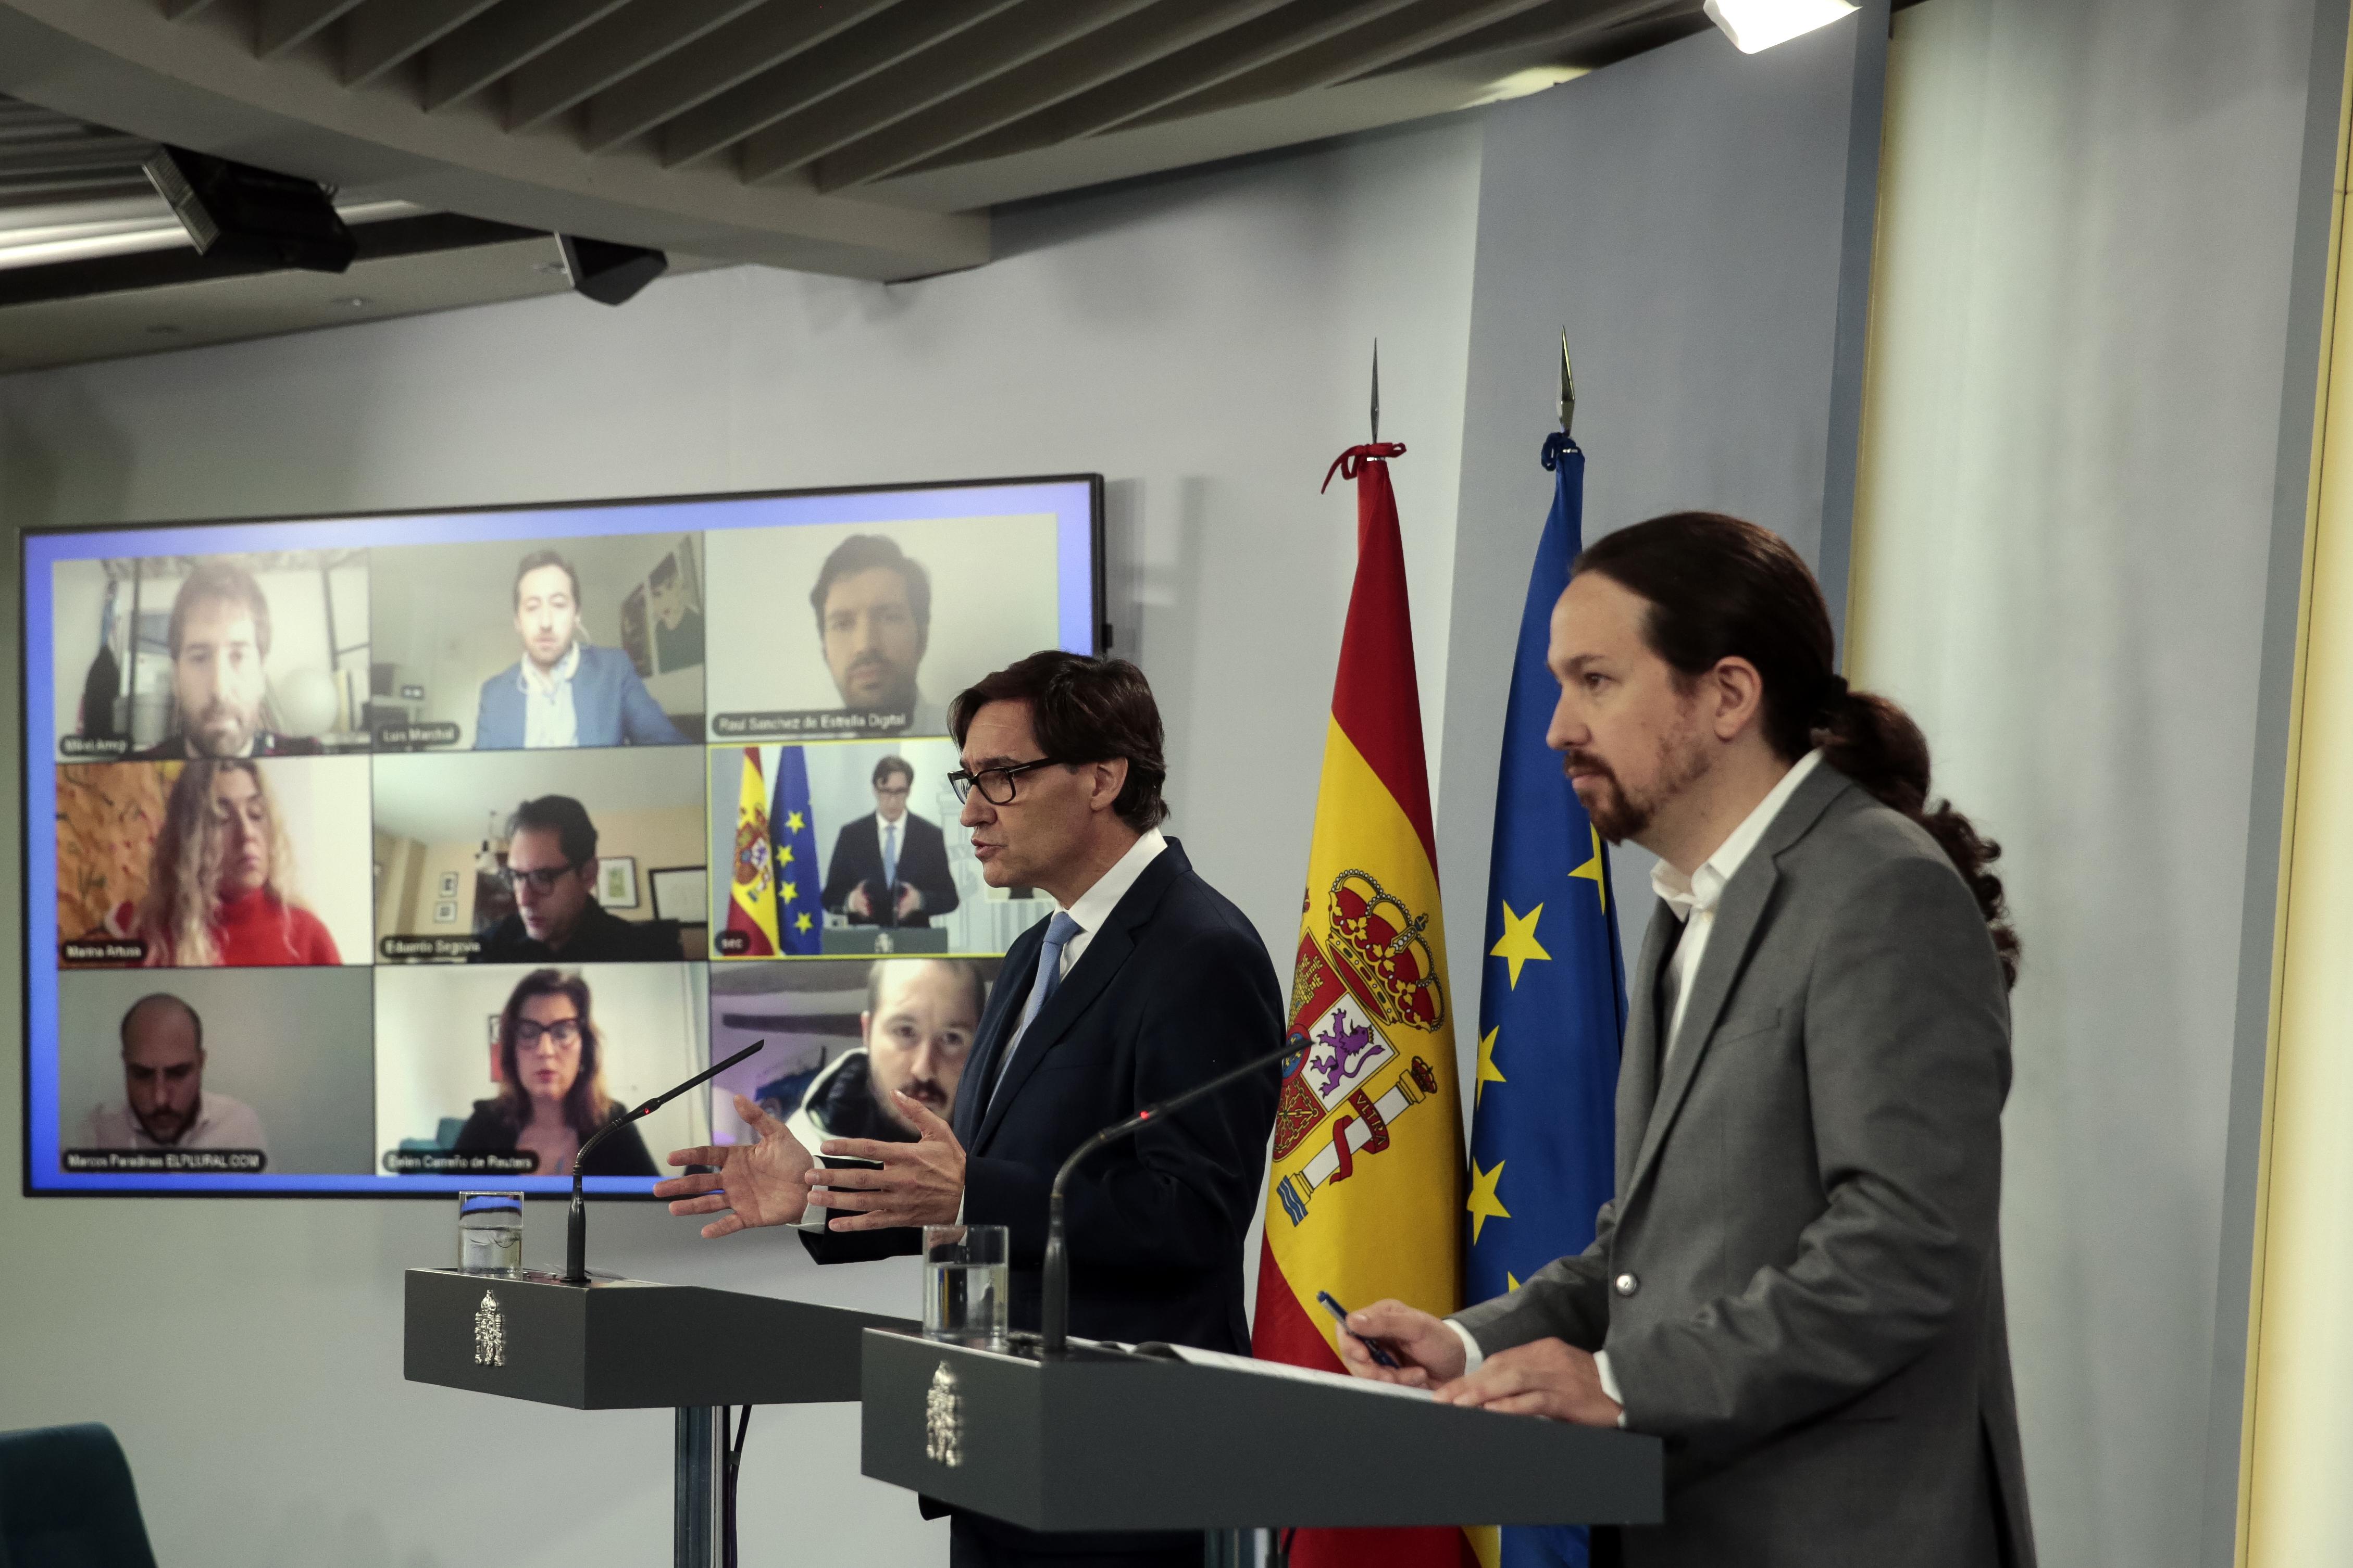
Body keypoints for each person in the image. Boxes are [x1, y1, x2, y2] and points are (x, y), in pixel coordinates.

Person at [1338, 513, 2034, 1568]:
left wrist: (1618, 1381)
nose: (1556, 727)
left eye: (1595, 681)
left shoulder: (1879, 889)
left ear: (1725, 694)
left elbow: (1902, 1251)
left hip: (1838, 1533)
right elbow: (1649, 1249)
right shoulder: (1685, 911)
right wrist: (1468, 1339)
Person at [658, 651, 1283, 1567]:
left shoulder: (1200, 949)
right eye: (968, 778)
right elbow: (977, 1170)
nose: (970, 809)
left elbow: (1191, 1214)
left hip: (1123, 1468)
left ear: (1102, 777)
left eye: (1002, 777)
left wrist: (968, 1196)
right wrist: (822, 1190)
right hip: (999, 1441)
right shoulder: (1037, 949)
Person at [103, 759, 341, 966]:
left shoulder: (309, 937)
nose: (247, 832)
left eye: (256, 813)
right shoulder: (155, 938)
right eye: (222, 818)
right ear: (189, 839)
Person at [452, 968, 656, 1177]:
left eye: (563, 1032)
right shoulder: (485, 1122)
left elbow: (655, 1206)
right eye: (528, 1033)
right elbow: (441, 1205)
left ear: (584, 1048)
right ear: (512, 1053)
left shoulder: (614, 1124)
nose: (546, 1051)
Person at [473, 550, 687, 749]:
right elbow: (479, 773)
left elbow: (670, 749)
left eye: (558, 605)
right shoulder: (493, 693)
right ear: (518, 621)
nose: (546, 622)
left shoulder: (615, 670)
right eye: (532, 607)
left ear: (577, 616)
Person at [769, 958, 986, 1148]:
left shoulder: (1012, 1158)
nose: (924, 1070)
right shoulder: (802, 1152)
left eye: (952, 1038)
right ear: (868, 1032)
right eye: (905, 1031)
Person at [129, 561, 322, 760]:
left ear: (262, 676)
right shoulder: (134, 775)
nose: (219, 689)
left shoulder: (312, 758)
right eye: (200, 658)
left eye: (238, 656)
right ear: (175, 679)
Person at [470, 795, 683, 962]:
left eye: (542, 877)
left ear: (588, 874)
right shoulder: (488, 947)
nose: (524, 900)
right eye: (516, 876)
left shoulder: (644, 952)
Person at [76, 993, 270, 1158]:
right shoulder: (96, 1134)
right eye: (142, 1075)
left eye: (178, 1074)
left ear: (201, 1062)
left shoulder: (239, 1127)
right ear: (125, 1064)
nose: (160, 1099)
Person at [807, 534, 947, 733]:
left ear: (922, 639)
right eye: (843, 624)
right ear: (824, 651)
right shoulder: (792, 749)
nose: (865, 645)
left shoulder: (967, 738)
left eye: (889, 617)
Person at [820, 755, 960, 927]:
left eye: (900, 791)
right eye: (886, 791)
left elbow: (950, 898)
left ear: (909, 790)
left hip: (914, 943)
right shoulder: (851, 835)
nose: (893, 800)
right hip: (864, 943)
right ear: (875, 789)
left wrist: (920, 900)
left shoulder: (930, 836)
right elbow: (829, 897)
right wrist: (851, 900)